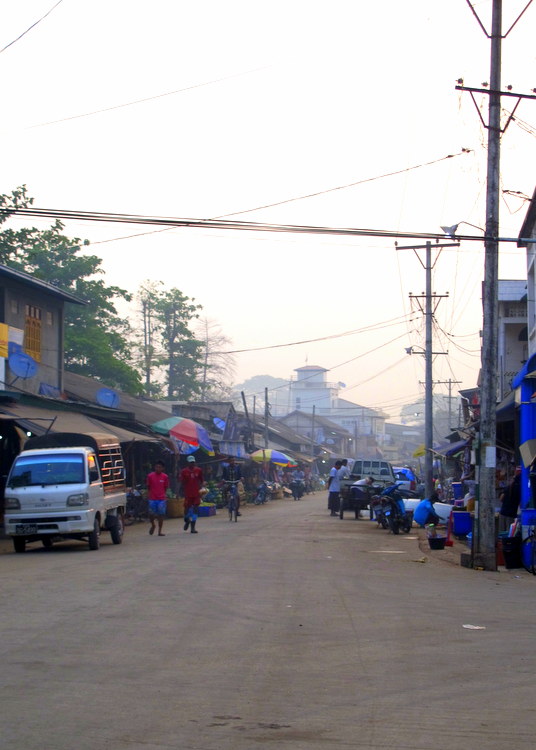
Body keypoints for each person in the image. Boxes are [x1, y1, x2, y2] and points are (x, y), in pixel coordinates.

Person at [179, 455, 204, 534]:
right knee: (186, 509)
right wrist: (180, 492)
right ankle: (187, 520)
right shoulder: (184, 471)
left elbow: (201, 480)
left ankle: (193, 527)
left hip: (196, 493)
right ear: (188, 463)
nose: (192, 464)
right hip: (188, 493)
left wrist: (202, 489)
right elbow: (182, 482)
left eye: (193, 462)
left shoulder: (198, 470)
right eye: (190, 462)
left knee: (195, 509)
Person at [147, 460, 170, 537]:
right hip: (152, 498)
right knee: (151, 514)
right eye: (156, 467)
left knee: (161, 515)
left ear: (162, 468)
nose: (158, 468)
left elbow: (165, 487)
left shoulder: (165, 477)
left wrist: (164, 496)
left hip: (161, 499)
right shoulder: (150, 476)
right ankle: (153, 524)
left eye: (159, 467)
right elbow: (148, 487)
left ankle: (160, 531)